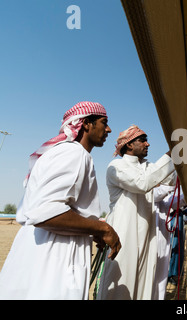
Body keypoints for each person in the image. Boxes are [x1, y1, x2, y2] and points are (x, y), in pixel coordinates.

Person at [0, 101, 121, 300]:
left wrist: (91, 228)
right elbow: (45, 212)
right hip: (54, 257)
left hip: (39, 250)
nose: (108, 129)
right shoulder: (74, 154)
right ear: (86, 124)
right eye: (103, 122)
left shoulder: (62, 153)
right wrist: (103, 229)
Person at [96, 125, 175, 300]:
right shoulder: (116, 166)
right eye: (142, 140)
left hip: (147, 234)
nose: (147, 144)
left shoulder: (147, 166)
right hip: (124, 233)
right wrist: (171, 155)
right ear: (129, 145)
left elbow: (170, 180)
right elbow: (143, 183)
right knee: (122, 280)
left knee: (143, 282)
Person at [152, 179, 185, 299]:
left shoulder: (163, 198)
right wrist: (177, 182)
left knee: (159, 277)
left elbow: (174, 202)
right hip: (146, 241)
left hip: (161, 243)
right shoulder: (146, 191)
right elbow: (157, 194)